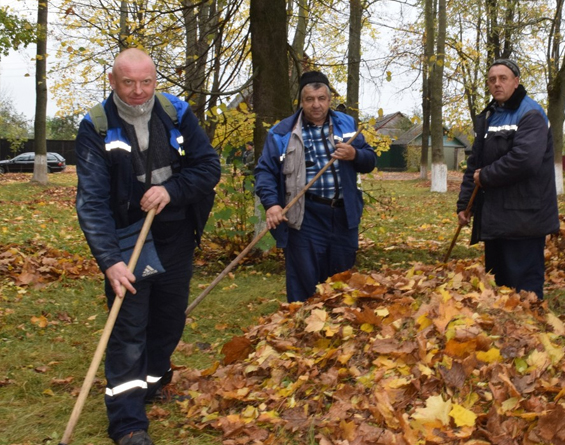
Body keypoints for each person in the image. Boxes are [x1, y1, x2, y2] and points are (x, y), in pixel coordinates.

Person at [75, 48, 220, 445]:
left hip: (174, 234)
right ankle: (127, 423)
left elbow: (208, 167)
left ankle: (152, 383)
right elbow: (91, 201)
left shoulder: (176, 112)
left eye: (146, 82)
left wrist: (171, 191)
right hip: (126, 239)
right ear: (113, 81)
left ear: (156, 81)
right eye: (128, 82)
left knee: (169, 321)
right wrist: (110, 262)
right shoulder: (96, 126)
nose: (138, 91)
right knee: (128, 329)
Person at [254, 71, 376, 303]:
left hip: (343, 215)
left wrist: (355, 154)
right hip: (305, 217)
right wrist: (271, 204)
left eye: (321, 98)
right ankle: (299, 331)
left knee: (342, 282)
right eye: (310, 99)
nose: (316, 104)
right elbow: (265, 172)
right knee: (305, 284)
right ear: (301, 101)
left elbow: (369, 161)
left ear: (329, 100)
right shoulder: (282, 133)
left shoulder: (347, 124)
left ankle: (335, 331)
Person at [456, 59, 559, 299]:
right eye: (492, 80)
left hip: (524, 218)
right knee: (498, 285)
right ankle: (506, 333)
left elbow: (525, 160)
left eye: (503, 78)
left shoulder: (530, 113)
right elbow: (476, 164)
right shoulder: (490, 116)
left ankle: (532, 331)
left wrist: (487, 176)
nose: (497, 84)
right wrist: (465, 205)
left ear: (516, 81)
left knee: (524, 289)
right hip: (496, 218)